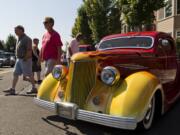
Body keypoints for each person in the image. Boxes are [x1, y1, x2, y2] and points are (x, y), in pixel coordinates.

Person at [3, 25, 37, 95]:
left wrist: (25, 57)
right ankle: (13, 89)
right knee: (15, 73)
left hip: (25, 59)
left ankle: (34, 88)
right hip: (19, 59)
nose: (15, 32)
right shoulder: (18, 38)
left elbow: (29, 50)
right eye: (14, 31)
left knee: (29, 74)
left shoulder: (27, 39)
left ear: (21, 30)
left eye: (16, 30)